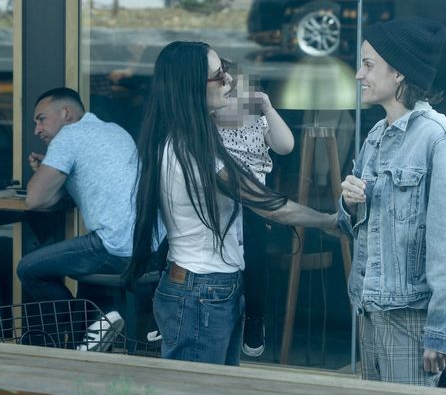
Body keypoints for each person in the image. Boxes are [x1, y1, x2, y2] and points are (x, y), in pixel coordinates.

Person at [129, 41, 338, 366]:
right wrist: (332, 221)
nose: (228, 80)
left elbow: (279, 152)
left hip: (210, 287)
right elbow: (267, 204)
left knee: (211, 388)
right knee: (197, 390)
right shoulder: (192, 151)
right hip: (201, 290)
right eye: (218, 75)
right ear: (192, 87)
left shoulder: (195, 139)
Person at [338, 18, 446, 386]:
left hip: (411, 321)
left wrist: (442, 332)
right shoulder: (375, 135)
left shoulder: (440, 141)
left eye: (368, 65)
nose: (359, 74)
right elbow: (354, 227)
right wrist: (349, 202)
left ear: (399, 72)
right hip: (369, 314)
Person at [17, 87, 139, 351]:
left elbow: (35, 199)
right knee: (76, 261)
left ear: (66, 113)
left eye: (41, 119)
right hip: (147, 249)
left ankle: (89, 324)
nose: (37, 130)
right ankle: (92, 330)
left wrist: (45, 169)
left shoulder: (69, 136)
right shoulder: (114, 130)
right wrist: (54, 167)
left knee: (28, 269)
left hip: (115, 247)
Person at [214, 66, 294, 357]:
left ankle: (255, 318)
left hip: (252, 206)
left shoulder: (258, 124)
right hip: (218, 201)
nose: (236, 104)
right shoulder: (210, 127)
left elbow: (285, 146)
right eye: (229, 96)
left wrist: (268, 109)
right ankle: (169, 305)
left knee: (256, 262)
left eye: (244, 98)